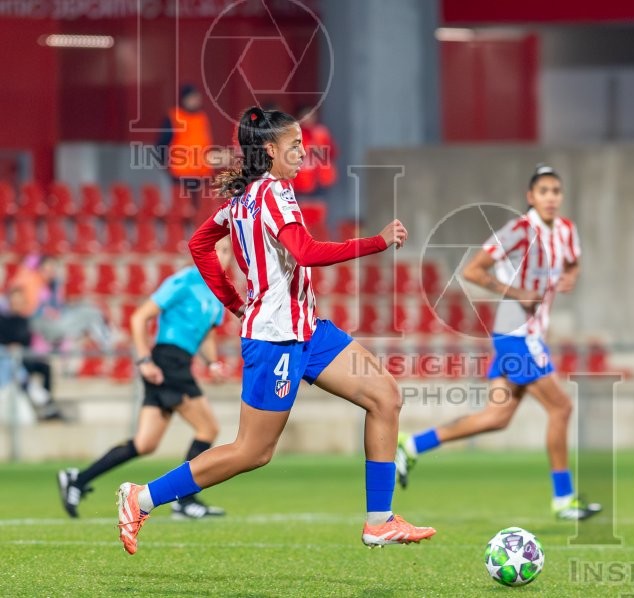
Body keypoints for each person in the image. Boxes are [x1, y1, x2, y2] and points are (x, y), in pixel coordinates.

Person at [115, 106, 435, 555]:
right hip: (276, 339)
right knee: (252, 452)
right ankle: (141, 497)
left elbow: (199, 243)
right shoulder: (272, 194)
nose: (304, 152)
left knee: (385, 395)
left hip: (308, 330)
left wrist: (232, 302)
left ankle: (379, 521)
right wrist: (376, 242)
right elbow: (304, 252)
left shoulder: (242, 201)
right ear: (270, 150)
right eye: (295, 145)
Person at [395, 164, 602, 521]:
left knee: (496, 417)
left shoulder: (566, 231)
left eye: (556, 191)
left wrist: (569, 277)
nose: (551, 197)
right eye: (544, 191)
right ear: (530, 197)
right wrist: (515, 291)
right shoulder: (520, 231)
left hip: (530, 335)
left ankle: (412, 445)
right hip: (515, 335)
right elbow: (473, 270)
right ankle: (563, 498)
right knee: (561, 408)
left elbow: (573, 264)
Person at [58, 239, 233, 520]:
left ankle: (77, 479)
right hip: (167, 361)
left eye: (227, 252)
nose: (221, 258)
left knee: (145, 444)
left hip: (179, 363)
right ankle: (185, 501)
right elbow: (140, 317)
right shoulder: (184, 280)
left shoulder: (218, 293)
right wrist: (143, 360)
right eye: (216, 251)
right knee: (208, 428)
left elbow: (208, 334)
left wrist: (212, 364)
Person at [0, 288, 65, 421]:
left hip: (23, 357)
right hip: (6, 359)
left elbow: (27, 342)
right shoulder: (3, 320)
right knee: (15, 367)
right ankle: (44, 402)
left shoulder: (25, 321)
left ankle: (45, 402)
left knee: (45, 367)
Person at [158, 83, 215, 210]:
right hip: (181, 173)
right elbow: (162, 142)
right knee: (181, 209)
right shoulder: (174, 117)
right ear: (184, 99)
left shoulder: (202, 117)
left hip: (202, 173)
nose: (196, 101)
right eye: (192, 98)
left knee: (201, 210)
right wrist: (164, 162)